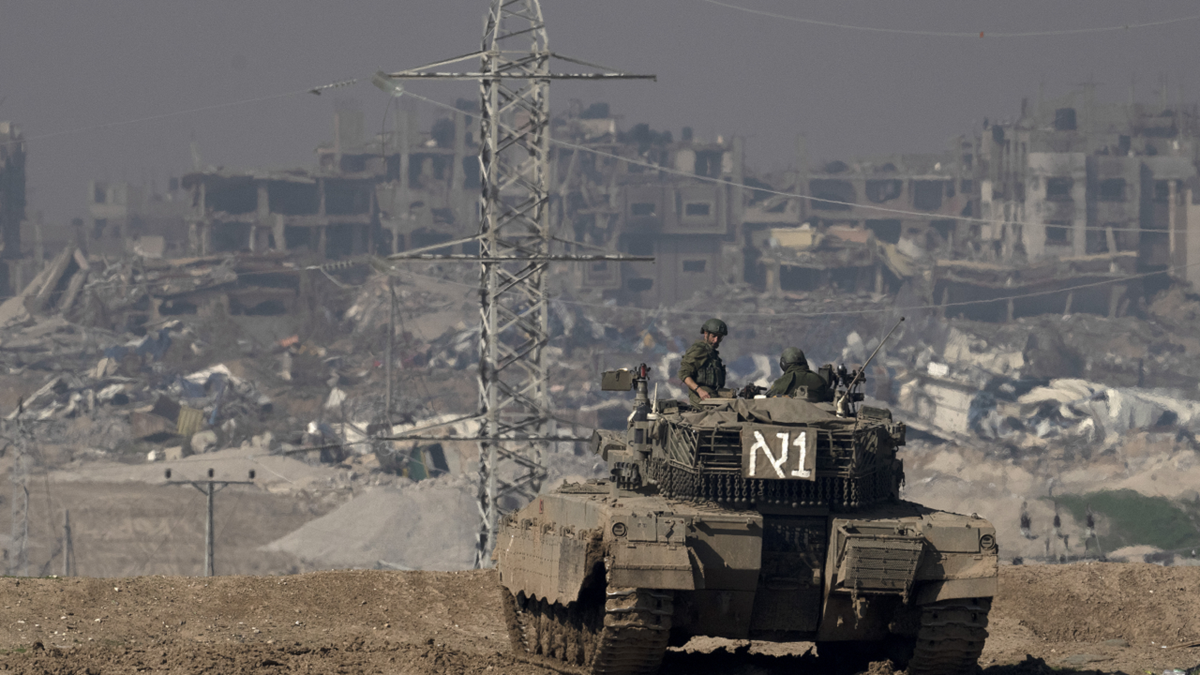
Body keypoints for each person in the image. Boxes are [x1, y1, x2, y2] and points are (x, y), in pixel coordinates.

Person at [678, 318, 727, 404]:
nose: (716, 340)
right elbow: (684, 374)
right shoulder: (699, 350)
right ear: (705, 334)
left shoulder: (713, 354)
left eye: (719, 337)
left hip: (714, 395)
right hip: (702, 399)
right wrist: (699, 390)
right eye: (713, 336)